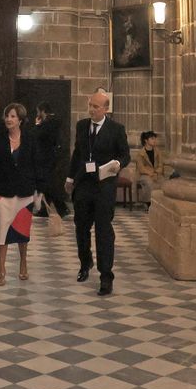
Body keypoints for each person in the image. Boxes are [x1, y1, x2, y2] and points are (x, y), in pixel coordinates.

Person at [68, 90, 129, 297]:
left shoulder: (116, 129)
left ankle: (105, 277)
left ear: (105, 109)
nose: (92, 110)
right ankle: (85, 263)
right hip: (84, 184)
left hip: (104, 185)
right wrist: (69, 178)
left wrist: (118, 164)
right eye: (90, 105)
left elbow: (125, 155)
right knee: (81, 227)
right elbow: (77, 153)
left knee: (103, 231)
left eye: (96, 106)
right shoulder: (82, 126)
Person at [0, 103, 46, 286]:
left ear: (21, 120)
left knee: (23, 232)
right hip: (3, 192)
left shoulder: (30, 139)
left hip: (25, 193)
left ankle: (23, 262)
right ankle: (1, 268)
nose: (9, 119)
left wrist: (39, 190)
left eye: (13, 116)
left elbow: (37, 165)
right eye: (7, 116)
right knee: (3, 231)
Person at [129, 130, 164, 206]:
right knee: (149, 182)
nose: (154, 140)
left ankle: (160, 204)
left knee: (163, 182)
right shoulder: (140, 153)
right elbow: (141, 168)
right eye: (152, 138)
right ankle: (149, 203)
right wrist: (151, 173)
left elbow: (160, 165)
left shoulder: (158, 152)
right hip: (143, 175)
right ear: (146, 140)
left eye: (155, 138)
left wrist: (157, 172)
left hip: (156, 173)